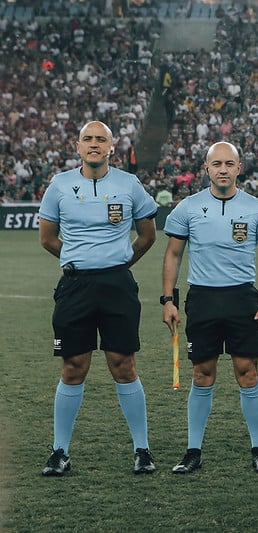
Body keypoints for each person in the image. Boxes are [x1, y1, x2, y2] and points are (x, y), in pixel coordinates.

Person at [38, 120, 158, 476]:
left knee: (123, 365)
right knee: (73, 366)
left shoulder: (129, 184)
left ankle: (142, 450)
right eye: (88, 139)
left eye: (100, 139)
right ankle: (60, 451)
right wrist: (80, 260)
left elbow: (147, 235)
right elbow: (47, 238)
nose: (94, 144)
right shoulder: (59, 185)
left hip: (117, 286)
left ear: (111, 146)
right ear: (78, 146)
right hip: (75, 287)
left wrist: (117, 264)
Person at [162, 141, 258, 474]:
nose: (223, 169)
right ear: (206, 168)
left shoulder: (257, 208)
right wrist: (167, 299)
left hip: (242, 299)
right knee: (202, 375)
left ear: (239, 168)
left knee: (248, 372)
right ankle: (193, 451)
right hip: (201, 299)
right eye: (217, 164)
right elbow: (173, 255)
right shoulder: (188, 207)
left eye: (230, 164)